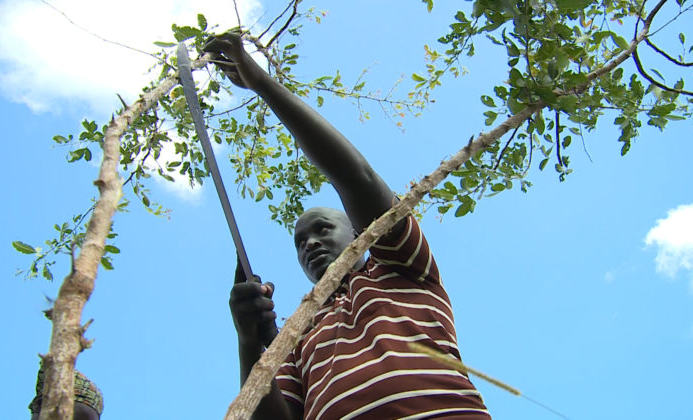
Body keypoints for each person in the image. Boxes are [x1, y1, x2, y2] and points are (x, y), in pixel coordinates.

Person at [206, 31, 491, 419]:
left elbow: (357, 178)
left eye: (322, 229)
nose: (308, 244)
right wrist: (249, 342)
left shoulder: (403, 267)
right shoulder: (295, 333)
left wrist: (262, 84)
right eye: (299, 242)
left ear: (359, 232)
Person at [28, 363, 103, 420]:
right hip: (92, 411)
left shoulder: (47, 376)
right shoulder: (76, 377)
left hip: (73, 403)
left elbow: (37, 409)